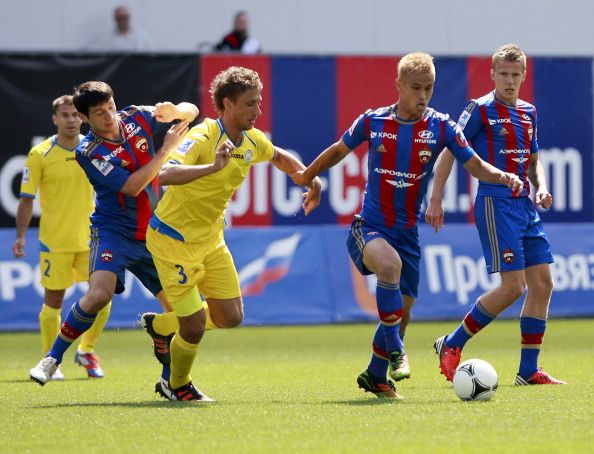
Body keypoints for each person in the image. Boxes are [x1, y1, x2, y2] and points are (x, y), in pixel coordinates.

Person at [292, 52, 522, 399]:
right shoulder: (374, 121)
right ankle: (398, 351)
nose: (423, 95)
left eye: (429, 88)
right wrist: (308, 178)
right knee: (389, 266)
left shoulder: (442, 126)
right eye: (415, 88)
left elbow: (475, 165)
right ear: (398, 85)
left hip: (407, 235)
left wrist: (503, 176)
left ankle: (375, 374)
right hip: (368, 228)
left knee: (404, 310)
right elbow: (339, 151)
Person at [140, 66, 321, 401]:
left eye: (259, 102)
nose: (258, 110)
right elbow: (164, 174)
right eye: (251, 104)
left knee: (231, 317)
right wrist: (212, 167)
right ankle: (176, 385)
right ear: (227, 104)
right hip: (172, 240)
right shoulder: (203, 136)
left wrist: (309, 177)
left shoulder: (253, 140)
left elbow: (279, 157)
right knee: (193, 325)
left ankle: (162, 327)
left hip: (211, 240)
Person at [28, 81, 198, 386]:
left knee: (179, 312)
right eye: (99, 113)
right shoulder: (88, 151)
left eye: (110, 107)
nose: (109, 117)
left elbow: (192, 111)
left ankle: (170, 380)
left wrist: (175, 110)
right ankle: (52, 358)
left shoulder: (135, 116)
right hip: (113, 231)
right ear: (84, 118)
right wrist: (166, 151)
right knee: (99, 294)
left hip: (153, 234)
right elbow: (132, 186)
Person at [426, 44, 566, 386]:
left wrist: (542, 186)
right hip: (495, 201)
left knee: (543, 283)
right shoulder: (480, 110)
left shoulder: (529, 112)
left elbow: (534, 161)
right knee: (513, 286)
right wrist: (436, 197)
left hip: (524, 205)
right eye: (503, 73)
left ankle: (528, 370)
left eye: (515, 75)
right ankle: (452, 342)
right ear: (492, 74)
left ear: (523, 76)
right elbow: (449, 151)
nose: (509, 80)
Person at [14, 95, 111, 380]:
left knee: (103, 299)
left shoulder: (93, 148)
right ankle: (50, 360)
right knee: (52, 303)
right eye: (64, 115)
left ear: (82, 117)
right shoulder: (40, 154)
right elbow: (26, 198)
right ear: (55, 119)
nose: (70, 120)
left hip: (91, 240)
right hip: (54, 242)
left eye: (74, 115)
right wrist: (21, 236)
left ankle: (86, 349)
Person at [86, 6, 151, 52]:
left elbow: (149, 56)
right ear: (115, 19)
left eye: (124, 17)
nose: (122, 20)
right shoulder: (106, 38)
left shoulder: (142, 36)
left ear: (129, 18)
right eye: (119, 18)